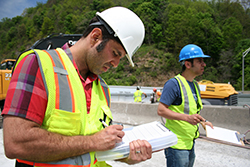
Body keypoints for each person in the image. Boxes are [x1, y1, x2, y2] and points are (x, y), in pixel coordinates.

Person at [2, 7, 153, 167]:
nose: (116, 64)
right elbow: (16, 143)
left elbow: (98, 147)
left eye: (120, 58)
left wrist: (124, 155)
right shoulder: (39, 65)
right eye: (115, 53)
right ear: (96, 37)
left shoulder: (103, 88)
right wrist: (92, 142)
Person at [157, 44, 214, 167]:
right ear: (187, 64)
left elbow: (192, 111)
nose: (203, 64)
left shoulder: (195, 85)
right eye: (199, 61)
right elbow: (161, 110)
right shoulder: (174, 84)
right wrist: (187, 119)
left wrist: (204, 121)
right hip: (177, 145)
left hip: (190, 142)